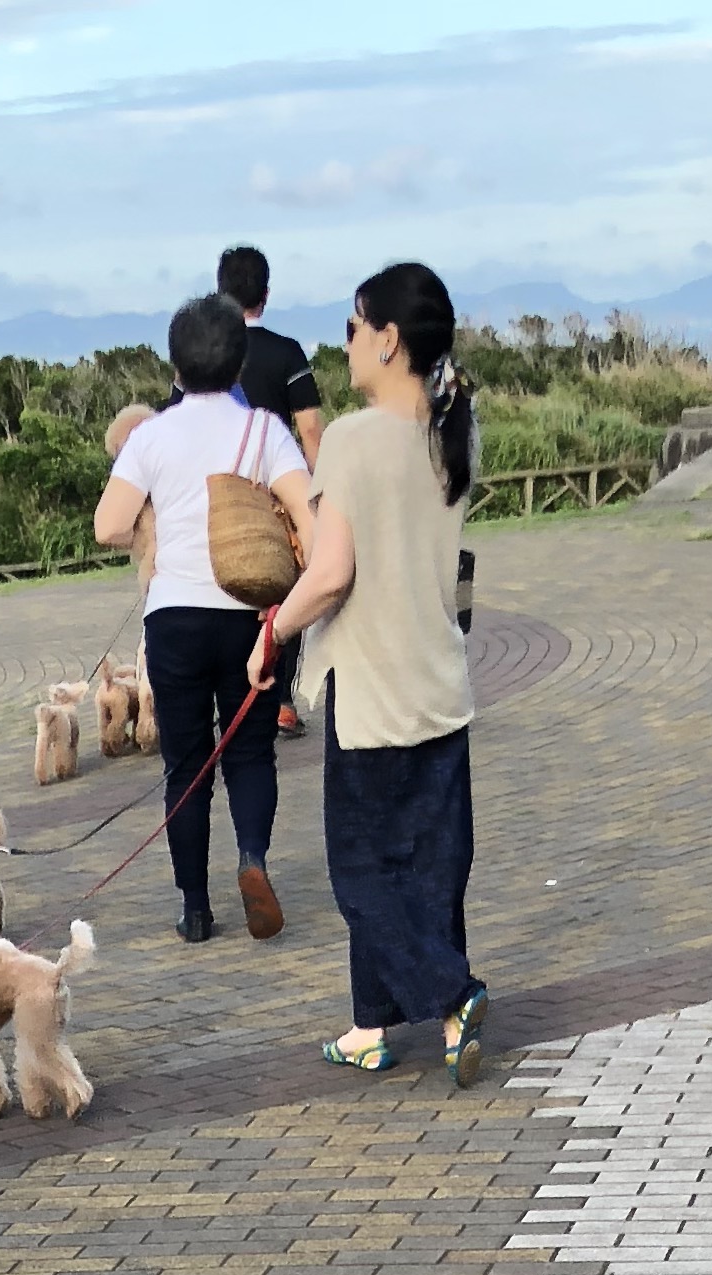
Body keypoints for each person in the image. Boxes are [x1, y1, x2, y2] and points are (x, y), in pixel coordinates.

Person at [251, 258, 486, 1083]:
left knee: (359, 871)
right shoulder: (455, 429)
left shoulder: (352, 439)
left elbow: (332, 574)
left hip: (371, 693)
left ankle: (454, 995)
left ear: (388, 340)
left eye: (353, 325)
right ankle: (372, 1027)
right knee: (432, 866)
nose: (344, 341)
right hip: (440, 682)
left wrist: (272, 631)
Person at [93, 293, 313, 944]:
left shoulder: (152, 436)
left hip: (174, 619)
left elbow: (108, 526)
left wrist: (161, 519)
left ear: (176, 366)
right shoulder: (264, 431)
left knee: (185, 768)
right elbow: (310, 519)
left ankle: (194, 907)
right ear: (240, 361)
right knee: (249, 754)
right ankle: (252, 859)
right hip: (249, 615)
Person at [218, 243, 324, 731]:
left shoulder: (207, 358)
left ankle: (231, 701)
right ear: (265, 292)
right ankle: (279, 700)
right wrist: (317, 495)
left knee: (229, 588)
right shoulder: (287, 353)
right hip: (281, 494)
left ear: (220, 292)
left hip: (224, 497)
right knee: (288, 587)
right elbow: (311, 432)